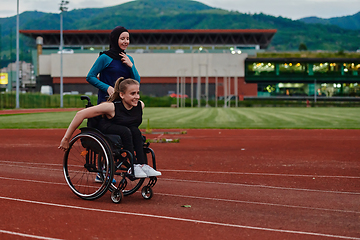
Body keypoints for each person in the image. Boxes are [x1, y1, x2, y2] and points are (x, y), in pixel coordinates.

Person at [58, 77, 161, 178]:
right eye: (132, 94)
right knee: (126, 131)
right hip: (107, 128)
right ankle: (133, 165)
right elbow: (80, 114)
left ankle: (142, 165)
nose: (137, 97)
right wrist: (66, 139)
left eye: (138, 93)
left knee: (135, 131)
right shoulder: (111, 107)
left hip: (127, 131)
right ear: (122, 95)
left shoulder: (140, 105)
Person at [86, 26, 140, 104]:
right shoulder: (105, 57)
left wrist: (131, 66)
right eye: (122, 39)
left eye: (127, 39)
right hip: (107, 100)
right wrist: (107, 88)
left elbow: (136, 82)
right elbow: (90, 77)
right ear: (115, 40)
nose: (126, 41)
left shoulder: (129, 59)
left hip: (125, 102)